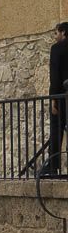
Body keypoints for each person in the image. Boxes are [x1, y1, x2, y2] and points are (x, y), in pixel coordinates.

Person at [44, 22, 68, 175]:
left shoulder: (57, 48)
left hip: (62, 96)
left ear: (63, 32)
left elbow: (55, 76)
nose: (55, 36)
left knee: (56, 130)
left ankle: (53, 166)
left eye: (56, 33)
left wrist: (53, 99)